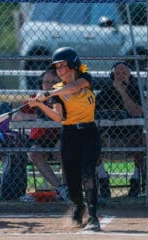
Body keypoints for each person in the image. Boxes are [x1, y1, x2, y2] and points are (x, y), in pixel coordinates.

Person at [28, 47, 101, 231]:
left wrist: (49, 94)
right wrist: (39, 104)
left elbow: (75, 87)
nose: (60, 70)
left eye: (63, 66)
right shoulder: (56, 90)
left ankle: (93, 217)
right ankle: (79, 205)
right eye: (57, 67)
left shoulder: (85, 78)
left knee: (88, 173)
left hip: (89, 134)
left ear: (73, 65)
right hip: (69, 136)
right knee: (72, 183)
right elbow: (58, 117)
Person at [12, 69, 70, 203]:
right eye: (46, 82)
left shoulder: (65, 98)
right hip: (41, 137)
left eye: (54, 82)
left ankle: (68, 187)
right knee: (34, 153)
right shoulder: (36, 98)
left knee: (62, 149)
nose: (49, 85)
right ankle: (61, 188)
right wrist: (39, 116)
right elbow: (16, 117)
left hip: (62, 136)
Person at [96, 62, 145, 197]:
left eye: (124, 73)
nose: (120, 76)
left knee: (142, 139)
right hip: (108, 138)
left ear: (130, 75)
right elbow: (93, 113)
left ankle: (135, 179)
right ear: (112, 76)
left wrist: (122, 92)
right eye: (117, 73)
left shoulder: (136, 91)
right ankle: (103, 178)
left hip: (129, 139)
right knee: (93, 140)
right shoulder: (105, 93)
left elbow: (136, 112)